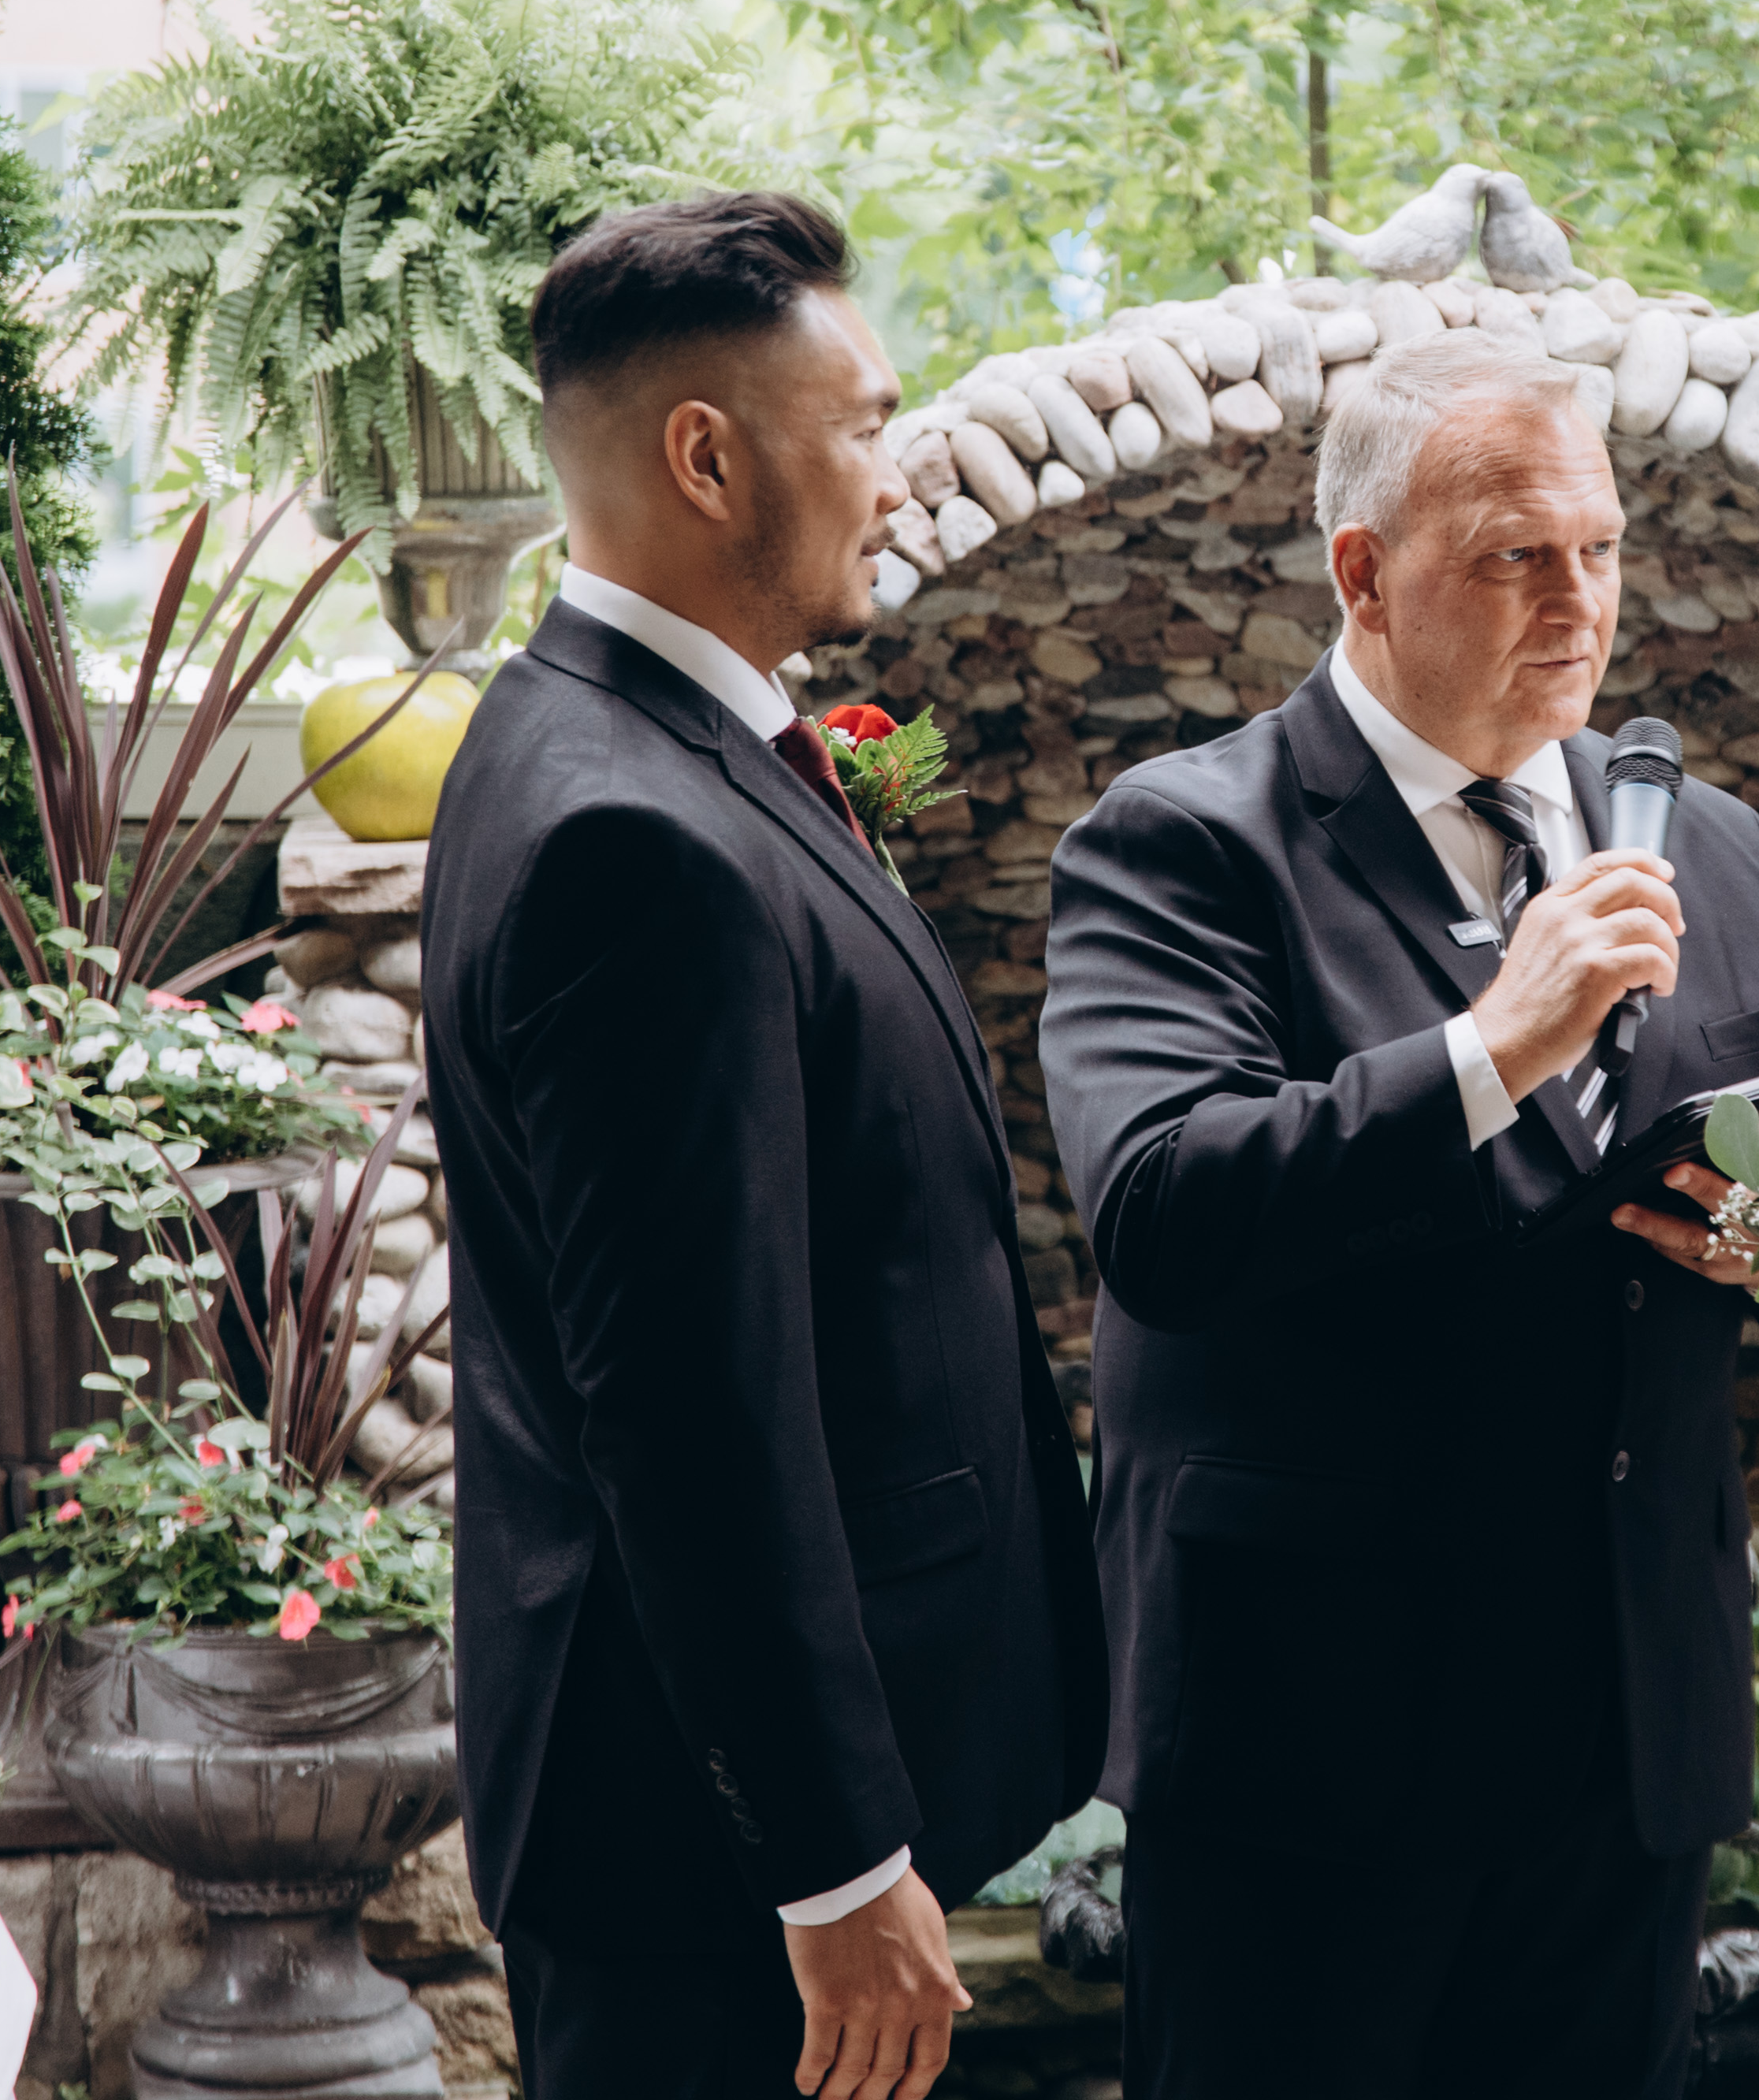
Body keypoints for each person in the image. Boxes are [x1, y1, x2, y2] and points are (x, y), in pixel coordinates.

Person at [1039, 328, 1759, 2100]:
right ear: (1365, 573)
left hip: (1627, 1733)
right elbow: (1165, 1208)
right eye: (1515, 556)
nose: (1581, 601)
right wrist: (1497, 1042)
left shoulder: (1712, 846)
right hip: (1310, 1741)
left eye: (1602, 547)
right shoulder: (1184, 841)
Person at [424, 192, 1108, 2100]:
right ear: (707, 458)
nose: (900, 473)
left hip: (715, 1816)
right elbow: (688, 1405)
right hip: (707, 1865)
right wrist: (832, 1857)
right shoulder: (632, 840)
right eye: (866, 425)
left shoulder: (590, 728)